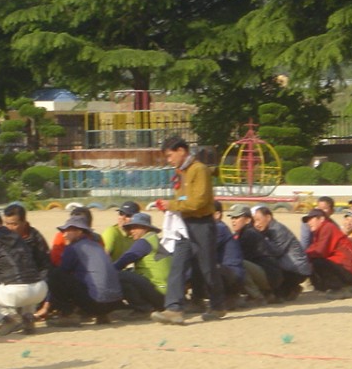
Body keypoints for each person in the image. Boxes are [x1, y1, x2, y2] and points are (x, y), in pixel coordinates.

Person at [151, 136, 226, 325]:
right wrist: (172, 206)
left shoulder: (199, 170)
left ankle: (217, 305)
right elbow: (184, 200)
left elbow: (199, 201)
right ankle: (174, 308)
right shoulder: (181, 172)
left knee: (207, 268)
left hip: (202, 224)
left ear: (181, 151)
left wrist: (172, 205)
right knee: (178, 264)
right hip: (184, 225)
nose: (169, 160)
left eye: (170, 155)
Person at [0, 210, 48, 336]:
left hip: (18, 292)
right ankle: (28, 317)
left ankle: (5, 319)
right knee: (25, 281)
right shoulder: (17, 237)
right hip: (40, 289)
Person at [46, 212, 125, 324]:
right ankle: (102, 315)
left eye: (68, 231)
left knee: (55, 275)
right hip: (114, 303)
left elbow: (63, 272)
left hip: (95, 304)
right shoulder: (97, 245)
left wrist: (48, 303)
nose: (64, 235)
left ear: (79, 231)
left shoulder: (72, 248)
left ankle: (67, 315)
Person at [114, 211, 171, 317]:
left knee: (117, 275)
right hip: (168, 295)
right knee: (129, 273)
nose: (131, 231)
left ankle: (143, 309)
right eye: (130, 228)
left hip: (158, 291)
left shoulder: (144, 242)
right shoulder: (155, 239)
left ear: (145, 228)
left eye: (135, 227)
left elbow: (122, 262)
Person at [250, 204, 312, 300]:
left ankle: (291, 288)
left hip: (296, 270)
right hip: (289, 267)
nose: (256, 224)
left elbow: (276, 252)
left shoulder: (277, 230)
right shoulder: (268, 230)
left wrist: (261, 240)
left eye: (258, 220)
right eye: (254, 221)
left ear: (268, 217)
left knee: (275, 295)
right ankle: (291, 289)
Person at [302, 208, 352, 296]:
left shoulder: (327, 227)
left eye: (311, 219)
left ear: (321, 219)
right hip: (349, 268)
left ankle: (337, 289)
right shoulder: (320, 231)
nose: (309, 223)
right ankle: (323, 288)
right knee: (313, 260)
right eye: (307, 221)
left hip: (350, 270)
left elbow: (319, 251)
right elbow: (314, 249)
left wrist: (302, 257)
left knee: (317, 261)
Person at [228, 204, 279, 303]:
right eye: (232, 218)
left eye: (237, 218)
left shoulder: (248, 234)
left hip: (269, 275)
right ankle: (264, 294)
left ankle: (256, 296)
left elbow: (237, 257)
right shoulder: (244, 233)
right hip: (269, 274)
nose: (233, 221)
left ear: (247, 220)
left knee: (237, 263)